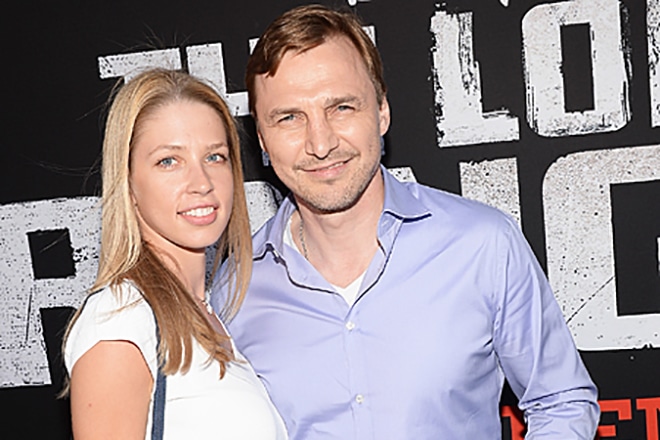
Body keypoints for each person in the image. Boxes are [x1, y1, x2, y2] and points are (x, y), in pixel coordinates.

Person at [211, 4, 600, 440]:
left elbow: (561, 403)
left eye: (341, 107)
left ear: (382, 112)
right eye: (289, 118)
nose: (320, 143)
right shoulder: (233, 292)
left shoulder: (481, 245)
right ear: (262, 140)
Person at [62, 68, 288, 439]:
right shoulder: (119, 319)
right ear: (128, 182)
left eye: (215, 157)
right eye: (169, 161)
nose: (202, 183)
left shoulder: (213, 313)